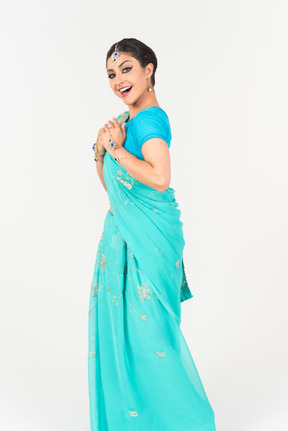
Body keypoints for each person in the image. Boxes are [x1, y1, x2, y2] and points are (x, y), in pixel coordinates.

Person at [88, 37, 216, 431]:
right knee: (129, 336)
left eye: (126, 68)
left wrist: (118, 149)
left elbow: (160, 178)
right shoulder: (124, 122)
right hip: (120, 238)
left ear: (149, 70)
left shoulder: (149, 120)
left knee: (150, 335)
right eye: (112, 73)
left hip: (147, 242)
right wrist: (100, 149)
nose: (118, 80)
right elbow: (113, 188)